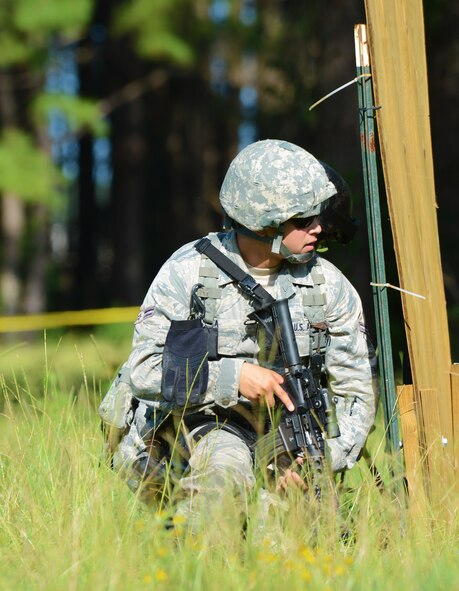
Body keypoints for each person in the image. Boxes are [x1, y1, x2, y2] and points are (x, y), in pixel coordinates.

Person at [99, 139, 379, 530]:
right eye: (302, 220)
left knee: (285, 534)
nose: (318, 228)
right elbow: (144, 372)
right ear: (265, 222)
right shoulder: (190, 273)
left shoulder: (328, 288)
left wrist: (317, 460)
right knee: (221, 483)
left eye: (317, 216)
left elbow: (355, 395)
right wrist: (235, 377)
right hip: (196, 428)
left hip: (286, 441)